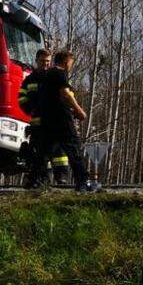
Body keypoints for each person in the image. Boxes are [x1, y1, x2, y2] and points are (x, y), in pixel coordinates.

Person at [34, 50, 97, 191]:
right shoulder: (59, 73)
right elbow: (65, 94)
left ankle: (36, 180)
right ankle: (83, 182)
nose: (71, 66)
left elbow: (53, 97)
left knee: (43, 151)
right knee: (74, 149)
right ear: (66, 61)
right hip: (61, 119)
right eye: (71, 63)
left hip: (48, 119)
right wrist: (79, 111)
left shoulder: (47, 75)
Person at [19, 49, 51, 188]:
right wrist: (30, 110)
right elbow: (21, 98)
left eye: (48, 62)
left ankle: (44, 179)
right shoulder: (29, 79)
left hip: (51, 122)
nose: (45, 64)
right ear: (37, 61)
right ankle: (36, 179)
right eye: (43, 61)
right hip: (36, 122)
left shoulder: (53, 77)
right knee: (35, 151)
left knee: (48, 152)